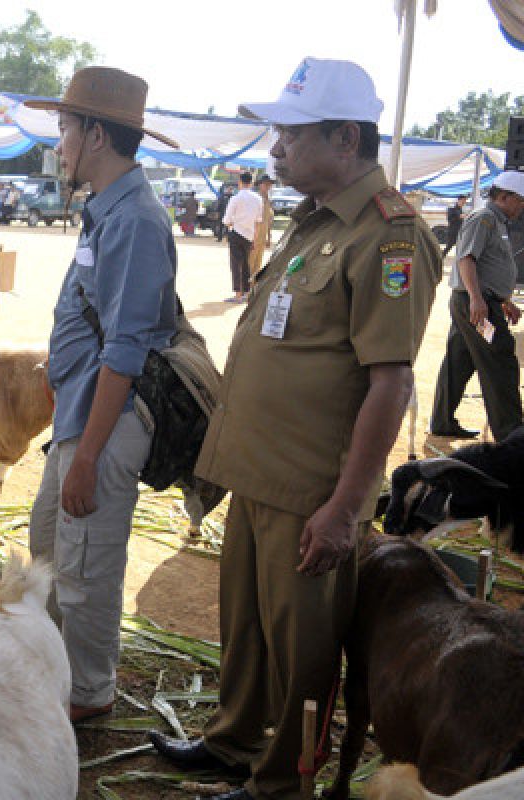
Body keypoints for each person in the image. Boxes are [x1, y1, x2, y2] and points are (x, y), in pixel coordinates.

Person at [147, 58, 442, 800]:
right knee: (248, 629)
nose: (275, 148)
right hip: (257, 471)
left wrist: (345, 507)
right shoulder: (316, 222)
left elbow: (391, 382)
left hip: (312, 487)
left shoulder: (390, 237)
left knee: (302, 650)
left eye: (291, 133)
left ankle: (282, 782)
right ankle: (234, 740)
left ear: (345, 138)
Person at [23, 67, 180, 724]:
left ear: (93, 133)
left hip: (103, 428)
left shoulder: (136, 220)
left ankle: (87, 696)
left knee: (84, 572)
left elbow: (125, 349)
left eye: (64, 130)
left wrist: (87, 455)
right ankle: (61, 680)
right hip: (83, 418)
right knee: (52, 550)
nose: (58, 145)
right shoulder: (110, 210)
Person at [429, 172, 524, 442]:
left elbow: (488, 265)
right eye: (520, 201)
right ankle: (512, 436)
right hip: (477, 306)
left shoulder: (497, 221)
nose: (522, 207)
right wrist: (478, 299)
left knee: (459, 361)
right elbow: (467, 259)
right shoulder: (484, 219)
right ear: (504, 197)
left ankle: (443, 422)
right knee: (500, 360)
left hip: (478, 303)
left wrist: (503, 300)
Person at [223, 172, 263, 302]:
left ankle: (238, 294)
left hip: (236, 233)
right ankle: (246, 292)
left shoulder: (235, 198)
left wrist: (232, 224)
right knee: (246, 263)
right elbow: (258, 221)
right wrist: (254, 239)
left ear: (240, 182)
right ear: (251, 183)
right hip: (249, 235)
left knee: (235, 264)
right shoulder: (258, 199)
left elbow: (227, 220)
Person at [249, 174, 276, 278]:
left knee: (258, 263)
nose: (268, 186)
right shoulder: (255, 198)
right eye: (266, 184)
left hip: (263, 236)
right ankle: (244, 288)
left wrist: (269, 237)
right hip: (254, 235)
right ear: (260, 185)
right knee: (250, 261)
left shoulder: (268, 200)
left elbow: (268, 220)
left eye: (269, 184)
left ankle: (252, 287)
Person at [441, 193, 468, 259]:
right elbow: (450, 220)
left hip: (460, 231)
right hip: (453, 231)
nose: (464, 202)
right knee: (449, 246)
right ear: (459, 200)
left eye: (465, 201)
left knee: (461, 246)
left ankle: (459, 260)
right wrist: (459, 217)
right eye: (463, 201)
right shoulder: (452, 208)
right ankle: (440, 257)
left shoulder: (461, 209)